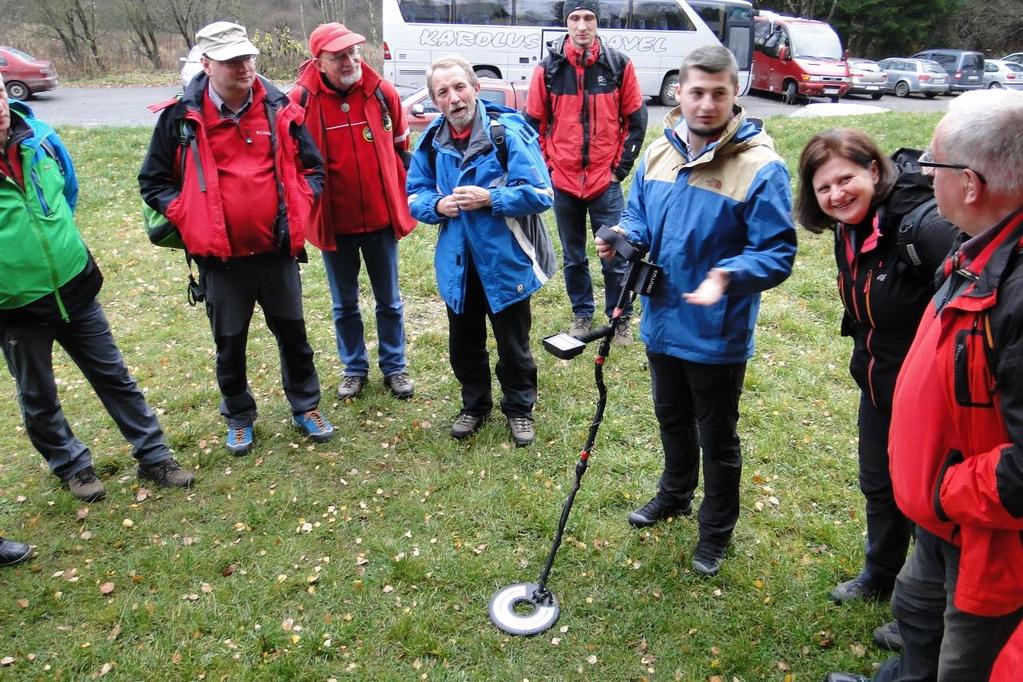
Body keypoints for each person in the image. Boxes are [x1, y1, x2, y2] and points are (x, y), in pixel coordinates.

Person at [825, 90, 1023, 682]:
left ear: (969, 184)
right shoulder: (981, 249)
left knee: (961, 660)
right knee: (917, 617)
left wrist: (944, 490)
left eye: (929, 165)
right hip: (941, 521)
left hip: (981, 538)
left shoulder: (1015, 288)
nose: (915, 174)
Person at [597, 45, 796, 577]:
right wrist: (622, 237)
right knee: (671, 417)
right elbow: (639, 217)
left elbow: (777, 252)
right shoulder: (660, 154)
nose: (706, 104)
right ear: (678, 93)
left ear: (737, 95)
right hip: (662, 319)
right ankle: (676, 493)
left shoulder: (761, 167)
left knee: (716, 432)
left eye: (718, 93)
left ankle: (716, 530)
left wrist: (728, 276)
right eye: (696, 92)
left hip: (717, 332)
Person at [795, 130, 960, 650]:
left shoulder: (922, 225)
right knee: (879, 485)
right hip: (877, 382)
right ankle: (879, 574)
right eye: (824, 188)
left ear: (874, 168)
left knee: (929, 505)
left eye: (847, 179)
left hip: (931, 398)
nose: (837, 194)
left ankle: (927, 614)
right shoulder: (852, 227)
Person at [139, 21, 333, 455]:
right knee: (230, 344)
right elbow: (152, 182)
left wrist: (298, 204)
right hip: (221, 260)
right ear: (207, 64)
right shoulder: (180, 118)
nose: (244, 66)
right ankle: (239, 415)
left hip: (276, 251)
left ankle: (306, 406)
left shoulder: (280, 108)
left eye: (247, 57)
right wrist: (190, 216)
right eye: (232, 60)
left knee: (295, 337)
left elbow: (313, 169)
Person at [0, 75, 194, 502]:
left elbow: (67, 194)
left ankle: (154, 454)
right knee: (38, 392)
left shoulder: (42, 139)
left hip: (73, 283)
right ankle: (70, 464)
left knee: (114, 375)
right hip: (14, 305)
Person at [406, 55, 554, 447]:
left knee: (513, 345)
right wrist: (436, 207)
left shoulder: (507, 134)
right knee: (464, 345)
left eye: (459, 87)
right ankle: (474, 405)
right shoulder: (432, 142)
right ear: (435, 101)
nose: (454, 98)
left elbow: (541, 194)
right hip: (458, 265)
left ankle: (519, 408)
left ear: (475, 87)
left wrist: (492, 197)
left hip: (505, 263)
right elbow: (414, 193)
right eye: (443, 92)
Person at [290, 23, 417, 402]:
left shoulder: (381, 92)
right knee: (344, 303)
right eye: (338, 56)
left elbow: (402, 146)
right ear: (320, 62)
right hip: (335, 224)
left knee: (389, 300)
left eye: (353, 52)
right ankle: (354, 368)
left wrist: (403, 197)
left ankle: (394, 366)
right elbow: (293, 162)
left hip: (380, 220)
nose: (350, 61)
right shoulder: (302, 100)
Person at [525, 0, 647, 344]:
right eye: (575, 18)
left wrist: (618, 170)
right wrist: (548, 167)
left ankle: (619, 317)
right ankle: (581, 313)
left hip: (604, 181)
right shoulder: (547, 69)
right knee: (574, 256)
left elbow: (636, 121)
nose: (582, 25)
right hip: (563, 181)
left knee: (616, 254)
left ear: (597, 22)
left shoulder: (618, 65)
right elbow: (533, 125)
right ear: (566, 23)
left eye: (588, 18)